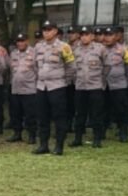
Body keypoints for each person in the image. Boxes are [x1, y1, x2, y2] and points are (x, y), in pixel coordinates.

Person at [32, 20, 75, 155]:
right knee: (42, 117)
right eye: (44, 29)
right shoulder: (38, 47)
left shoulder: (64, 46)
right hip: (41, 86)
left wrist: (63, 81)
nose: (46, 32)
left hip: (57, 86)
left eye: (49, 29)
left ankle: (59, 146)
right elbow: (34, 66)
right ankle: (43, 145)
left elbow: (71, 67)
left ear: (55, 31)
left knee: (59, 117)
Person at [71, 26, 107, 148]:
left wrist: (101, 81)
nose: (84, 37)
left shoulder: (100, 48)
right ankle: (78, 138)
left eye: (87, 34)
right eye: (82, 34)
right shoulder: (75, 49)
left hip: (95, 86)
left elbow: (107, 67)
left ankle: (97, 139)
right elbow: (72, 68)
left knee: (96, 114)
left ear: (92, 36)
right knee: (80, 114)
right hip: (80, 87)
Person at [101, 26, 128, 143]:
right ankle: (102, 131)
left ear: (115, 37)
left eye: (110, 35)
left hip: (119, 85)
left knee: (121, 110)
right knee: (103, 109)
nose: (108, 38)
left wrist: (122, 76)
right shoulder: (100, 49)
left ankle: (123, 132)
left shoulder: (123, 50)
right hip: (104, 85)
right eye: (106, 35)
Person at [7, 32, 38, 143]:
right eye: (18, 41)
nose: (20, 43)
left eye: (22, 41)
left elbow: (37, 70)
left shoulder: (34, 53)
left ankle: (32, 135)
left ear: (27, 41)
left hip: (29, 89)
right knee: (16, 113)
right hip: (15, 89)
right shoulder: (13, 54)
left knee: (30, 114)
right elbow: (11, 71)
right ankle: (17, 133)